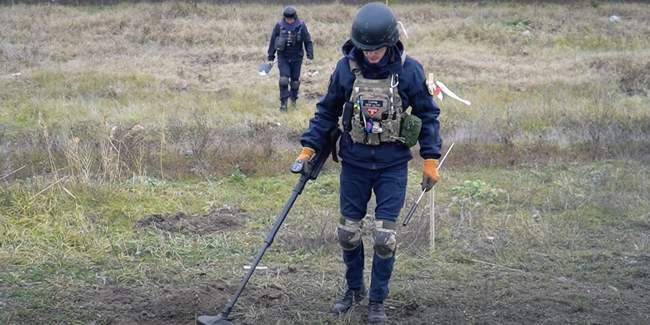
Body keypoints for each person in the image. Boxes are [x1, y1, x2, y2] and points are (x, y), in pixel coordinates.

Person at [292, 3, 442, 323]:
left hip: (392, 166)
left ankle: (377, 300)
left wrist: (430, 158)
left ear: (390, 41)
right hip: (355, 163)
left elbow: (429, 115)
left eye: (377, 49)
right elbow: (326, 111)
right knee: (347, 232)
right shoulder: (345, 69)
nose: (371, 54)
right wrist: (309, 148)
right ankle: (354, 289)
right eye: (366, 49)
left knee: (385, 238)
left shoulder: (408, 70)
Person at [267, 5, 314, 112]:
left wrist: (309, 55)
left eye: (290, 19)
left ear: (294, 17)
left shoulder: (301, 26)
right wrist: (271, 56)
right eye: (287, 19)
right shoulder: (279, 26)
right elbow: (273, 40)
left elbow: (308, 41)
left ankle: (293, 100)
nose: (289, 21)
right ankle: (283, 103)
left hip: (297, 57)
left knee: (295, 81)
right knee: (283, 79)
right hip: (283, 57)